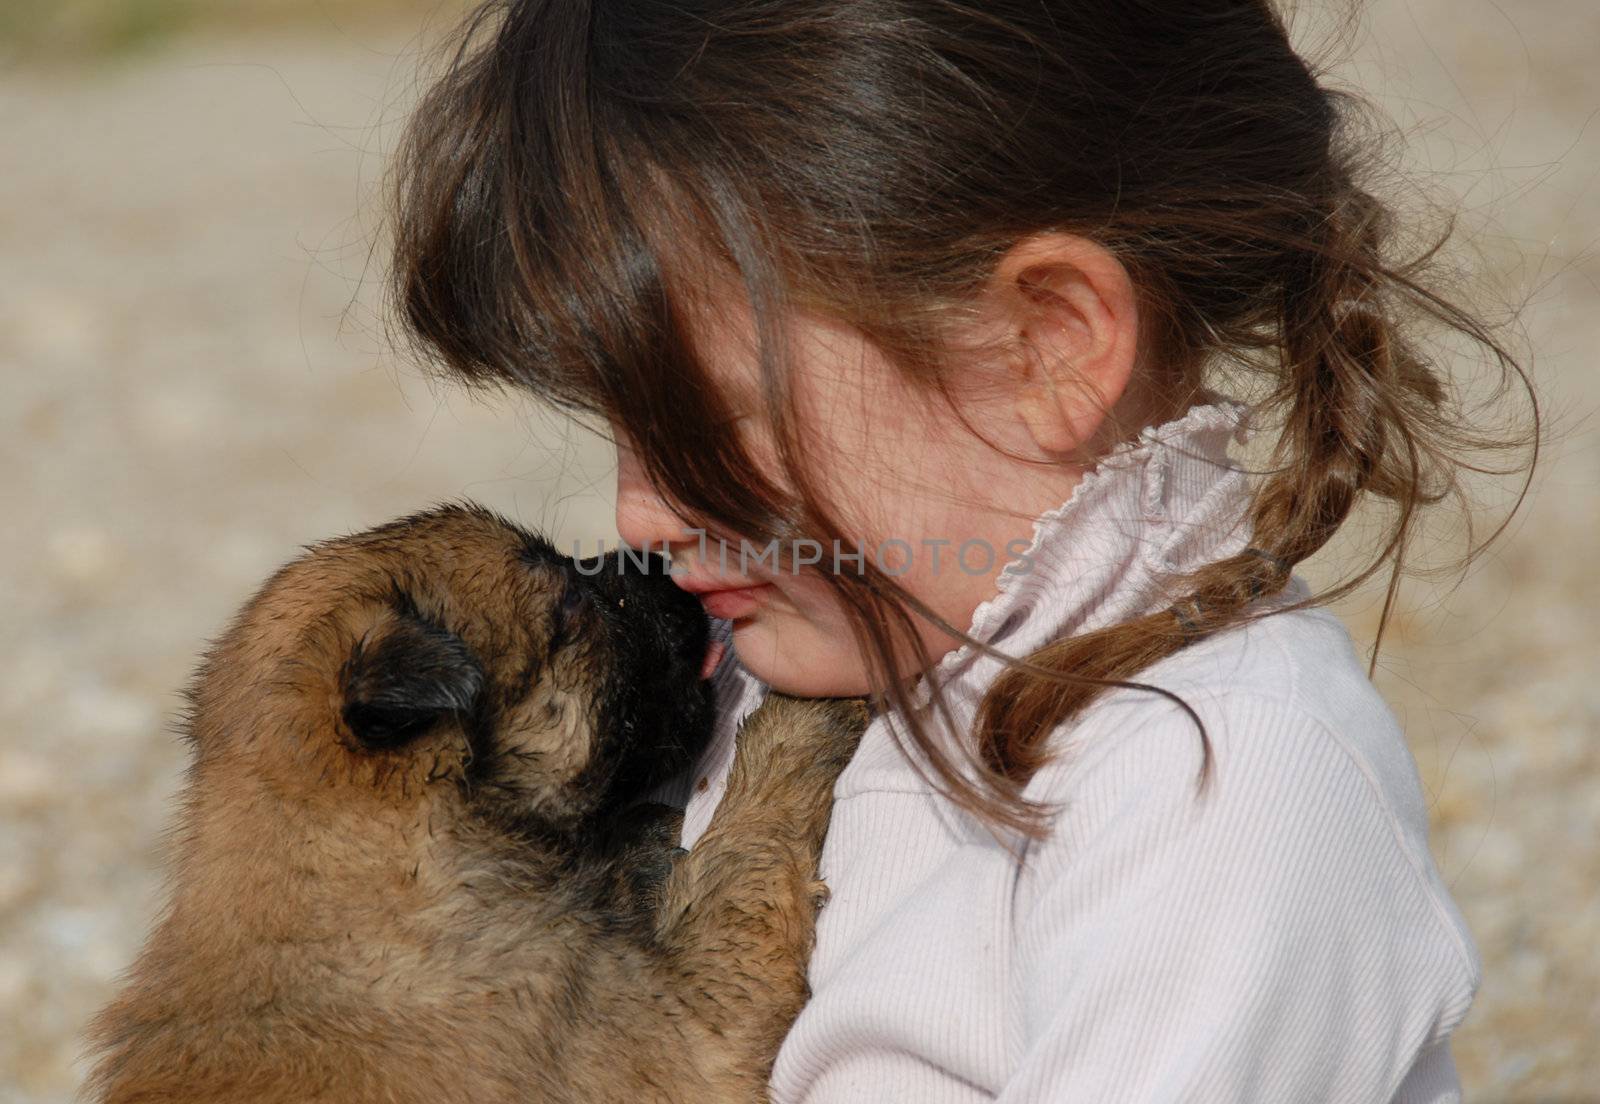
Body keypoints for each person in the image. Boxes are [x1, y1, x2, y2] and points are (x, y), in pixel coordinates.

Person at [383, 1, 1537, 1099]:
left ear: (1047, 346)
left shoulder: (1216, 780)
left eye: (706, 419)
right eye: (619, 428)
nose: (639, 516)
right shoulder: (807, 655)